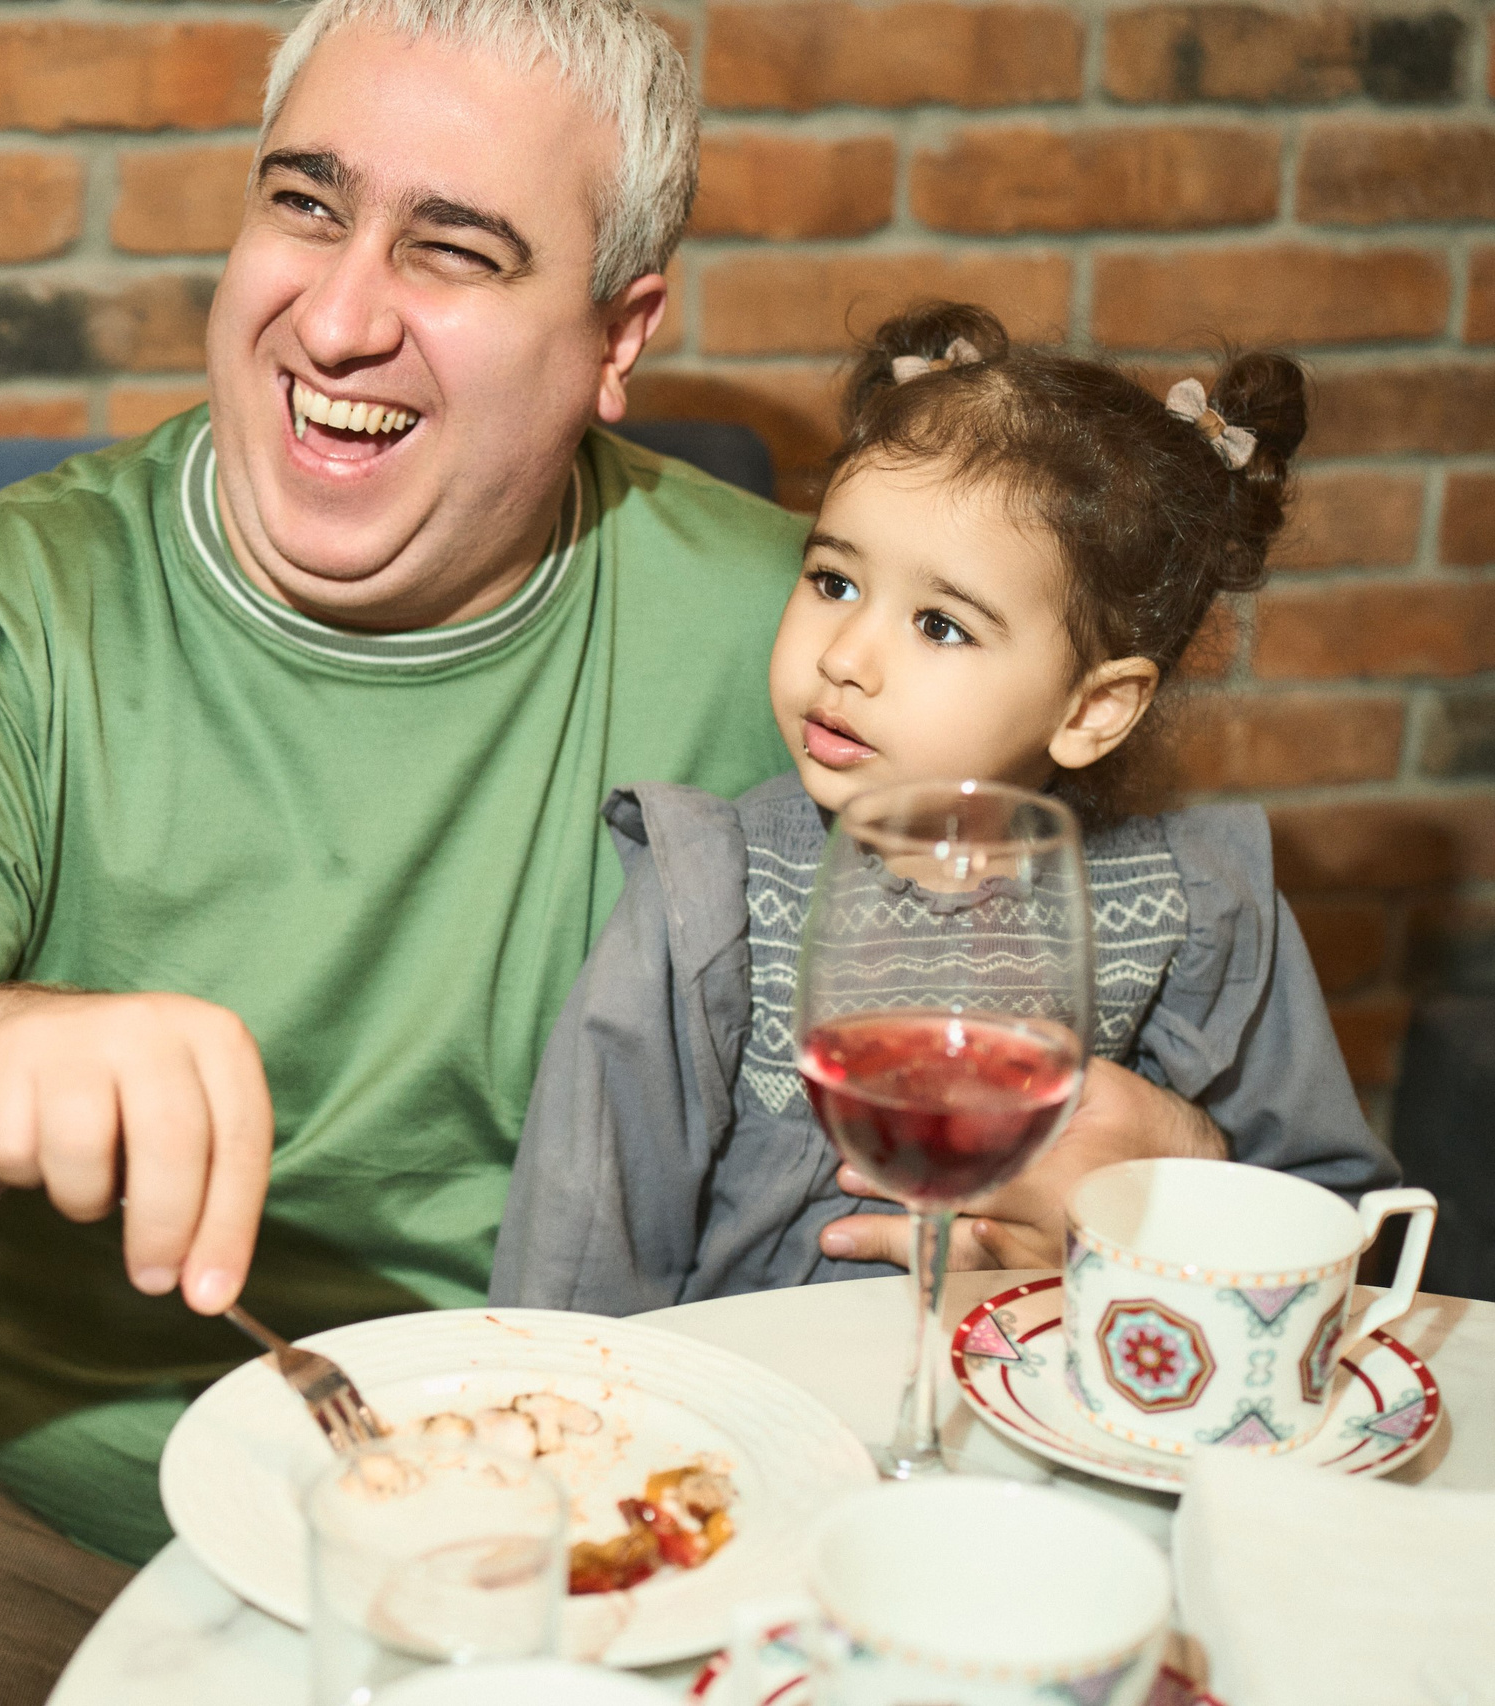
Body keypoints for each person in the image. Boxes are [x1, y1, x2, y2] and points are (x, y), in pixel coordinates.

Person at [0, 6, 1233, 1695]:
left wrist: (1123, 1185)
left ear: (619, 333)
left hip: (638, 1490)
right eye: (304, 205)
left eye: (453, 251)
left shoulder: (812, 641)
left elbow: (1072, 1012)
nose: (335, 315)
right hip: (51, 1494)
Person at [491, 302, 1399, 1317]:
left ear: (1093, 708)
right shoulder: (718, 895)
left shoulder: (1193, 912)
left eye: (939, 623)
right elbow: (577, 1252)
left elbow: (1343, 1237)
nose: (844, 656)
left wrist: (1173, 1177)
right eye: (832, 579)